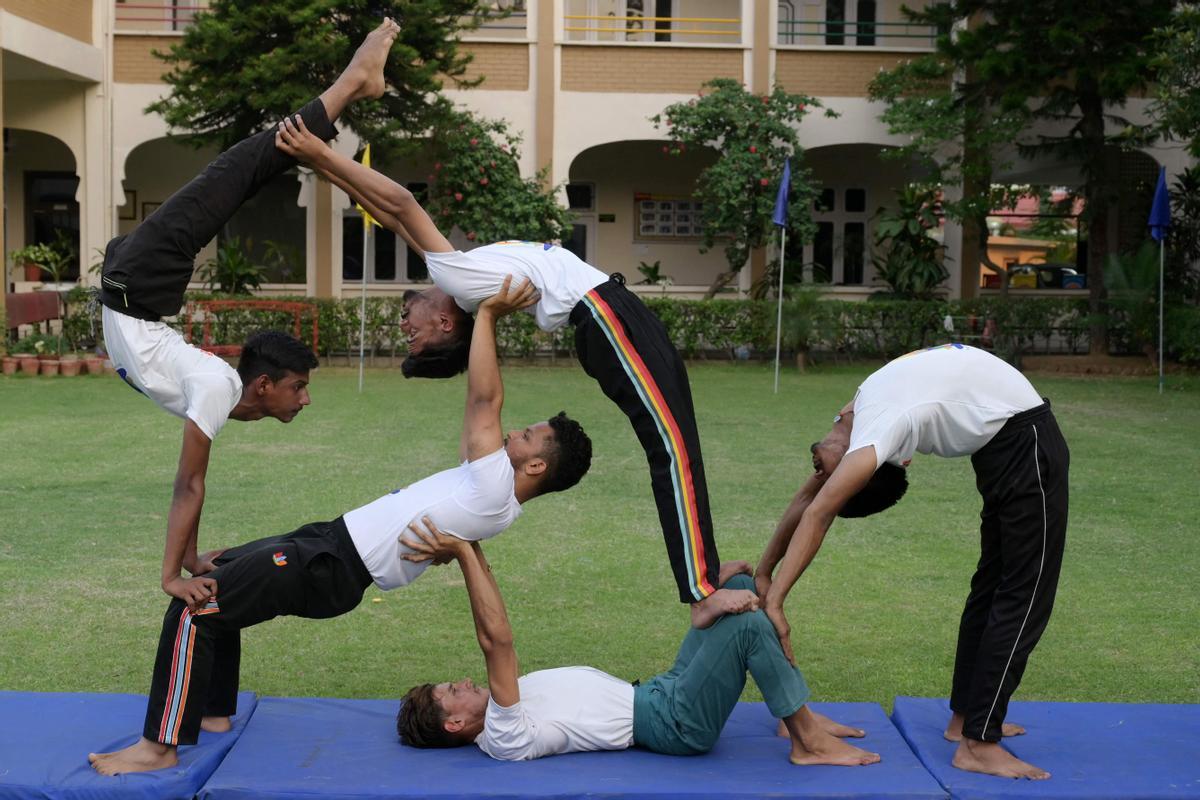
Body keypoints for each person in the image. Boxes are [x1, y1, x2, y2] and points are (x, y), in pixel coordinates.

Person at [88, 277, 594, 776]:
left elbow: (486, 400)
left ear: (536, 468)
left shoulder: (492, 489)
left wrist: (487, 315)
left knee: (193, 609)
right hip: (327, 540)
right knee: (224, 567)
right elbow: (475, 410)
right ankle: (213, 714)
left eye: (527, 436)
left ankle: (159, 748)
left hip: (329, 567)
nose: (511, 432)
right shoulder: (489, 489)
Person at [274, 118, 730, 628]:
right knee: (671, 446)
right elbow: (402, 204)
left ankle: (704, 570)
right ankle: (701, 590)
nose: (405, 320)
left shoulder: (458, 270)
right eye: (415, 333)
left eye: (407, 328)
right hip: (606, 316)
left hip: (613, 313)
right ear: (448, 323)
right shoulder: (460, 281)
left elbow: (393, 218)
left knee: (679, 441)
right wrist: (318, 153)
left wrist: (322, 166)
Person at [97, 19, 405, 611]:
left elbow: (193, 484)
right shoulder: (216, 386)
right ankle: (352, 81)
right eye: (300, 387)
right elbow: (190, 485)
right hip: (135, 287)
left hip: (134, 289)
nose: (305, 399)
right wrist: (173, 574)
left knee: (244, 171)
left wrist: (191, 560)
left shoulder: (216, 391)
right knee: (245, 168)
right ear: (263, 384)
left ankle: (353, 83)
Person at [754, 343, 1068, 781]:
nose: (816, 474)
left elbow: (818, 504)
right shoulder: (871, 430)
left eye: (825, 472)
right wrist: (768, 577)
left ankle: (967, 721)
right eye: (830, 476)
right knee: (1020, 593)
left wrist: (776, 591)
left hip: (1013, 441)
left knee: (1004, 588)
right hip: (1016, 442)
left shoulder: (868, 415)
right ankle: (978, 742)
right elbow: (815, 503)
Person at [394, 522, 880, 767]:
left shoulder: (502, 713)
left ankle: (791, 716)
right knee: (749, 624)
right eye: (448, 692)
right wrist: (459, 551)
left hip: (660, 692)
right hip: (674, 723)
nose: (459, 682)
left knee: (748, 589)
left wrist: (470, 541)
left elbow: (490, 606)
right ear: (455, 723)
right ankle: (807, 742)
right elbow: (496, 639)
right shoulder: (501, 735)